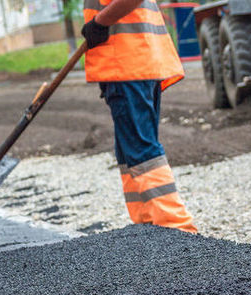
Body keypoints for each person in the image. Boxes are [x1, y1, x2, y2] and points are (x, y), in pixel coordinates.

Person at [81, 0, 196, 233]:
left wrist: (99, 22)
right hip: (137, 59)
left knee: (140, 149)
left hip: (127, 61)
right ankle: (146, 227)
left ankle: (178, 228)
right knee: (128, 150)